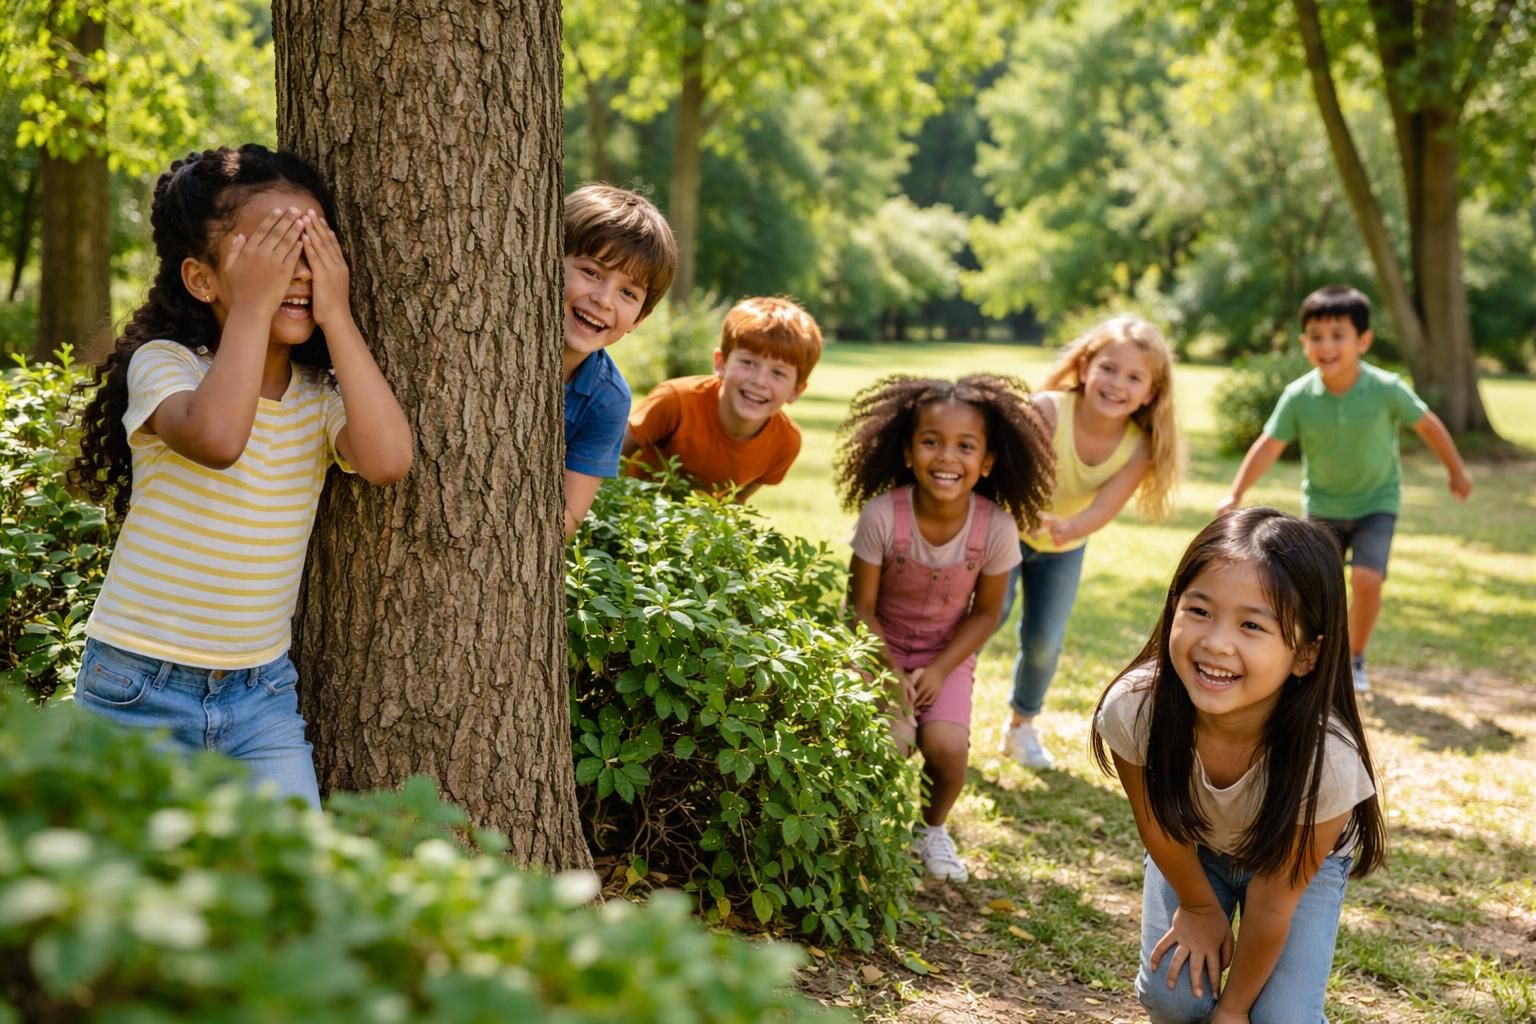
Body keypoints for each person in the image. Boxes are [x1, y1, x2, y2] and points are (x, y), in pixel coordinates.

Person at [68, 145, 414, 808]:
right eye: (271, 253)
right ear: (203, 280)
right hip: (137, 684)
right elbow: (220, 440)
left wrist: (337, 315)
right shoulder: (167, 366)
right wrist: (256, 307)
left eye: (310, 249)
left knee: (292, 888)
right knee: (125, 894)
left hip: (260, 697)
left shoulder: (319, 395)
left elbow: (387, 460)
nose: (295, 272)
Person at [1092, 507, 1385, 1024]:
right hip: (1193, 846)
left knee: (1280, 1019)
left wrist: (1233, 1009)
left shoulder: (1329, 764)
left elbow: (1274, 901)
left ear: (1306, 656)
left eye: (1252, 624)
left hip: (1292, 870)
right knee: (1174, 999)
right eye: (1199, 611)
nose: (1216, 643)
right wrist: (1199, 907)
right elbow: (1158, 822)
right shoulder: (1136, 708)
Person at [835, 374, 1053, 882]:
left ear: (988, 461)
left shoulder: (996, 528)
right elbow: (859, 608)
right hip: (876, 647)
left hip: (947, 654)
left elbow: (986, 613)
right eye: (931, 442)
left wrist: (938, 669)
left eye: (965, 446)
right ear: (908, 453)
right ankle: (857, 828)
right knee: (892, 740)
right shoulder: (881, 517)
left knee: (947, 746)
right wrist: (889, 671)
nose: (947, 457)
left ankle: (931, 829)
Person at [1218, 285, 1472, 694]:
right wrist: (1235, 492)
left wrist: (1456, 471)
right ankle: (1309, 657)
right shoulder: (1299, 396)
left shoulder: (1386, 388)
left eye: (1339, 335)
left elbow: (1427, 424)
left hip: (1376, 503)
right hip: (1323, 507)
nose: (1327, 346)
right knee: (1316, 587)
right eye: (1316, 337)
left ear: (1363, 340)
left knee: (1368, 580)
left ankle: (1353, 656)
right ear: (1304, 343)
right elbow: (1268, 445)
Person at [999, 316, 1183, 770]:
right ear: (1085, 367)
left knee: (1044, 641)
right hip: (1002, 533)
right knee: (987, 615)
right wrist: (1025, 512)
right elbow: (1005, 473)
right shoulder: (1046, 409)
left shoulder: (1138, 447)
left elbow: (1104, 508)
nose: (1117, 383)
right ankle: (944, 712)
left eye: (1134, 377)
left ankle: (1021, 725)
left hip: (1063, 546)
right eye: (1108, 368)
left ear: (1150, 393)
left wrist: (1068, 528)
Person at [562, 184, 678, 538]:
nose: (603, 299)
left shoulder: (607, 398)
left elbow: (567, 518)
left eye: (628, 293)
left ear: (639, 320)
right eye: (592, 272)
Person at [623, 295, 821, 500]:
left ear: (796, 391)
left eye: (778, 373)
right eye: (748, 362)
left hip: (691, 527)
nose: (760, 381)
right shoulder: (675, 401)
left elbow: (733, 505)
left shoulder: (785, 443)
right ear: (721, 363)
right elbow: (605, 454)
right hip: (628, 509)